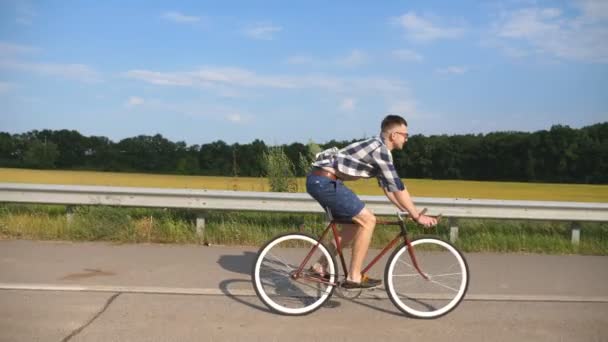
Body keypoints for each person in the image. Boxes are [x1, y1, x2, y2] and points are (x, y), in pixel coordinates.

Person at [306, 114, 437, 288]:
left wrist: (406, 211)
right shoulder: (380, 149)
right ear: (393, 135)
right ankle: (354, 277)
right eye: (405, 135)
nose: (407, 139)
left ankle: (319, 267)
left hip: (323, 181)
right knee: (368, 220)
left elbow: (389, 189)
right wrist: (417, 216)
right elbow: (398, 187)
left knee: (353, 227)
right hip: (325, 182)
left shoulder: (379, 149)